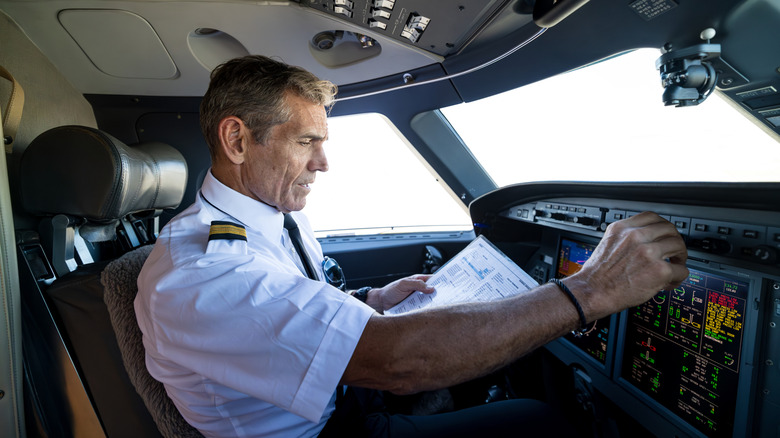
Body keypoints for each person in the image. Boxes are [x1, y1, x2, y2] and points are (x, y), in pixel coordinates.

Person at [135, 55, 689, 438]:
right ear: (237, 139)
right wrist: (591, 290)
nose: (323, 163)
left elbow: (285, 304)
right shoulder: (201, 271)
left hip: (340, 400)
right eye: (307, 142)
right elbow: (399, 363)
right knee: (539, 423)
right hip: (328, 430)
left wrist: (372, 299)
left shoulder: (264, 218)